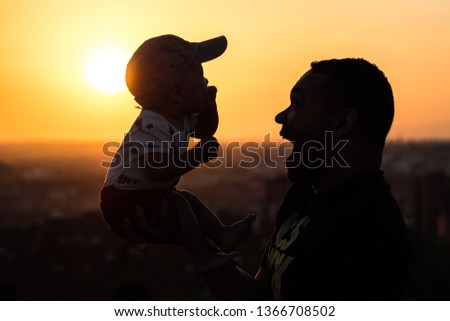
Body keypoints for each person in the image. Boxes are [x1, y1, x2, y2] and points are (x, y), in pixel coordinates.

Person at [124, 58, 409, 300]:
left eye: (297, 104)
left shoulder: (370, 230)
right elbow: (258, 299)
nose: (280, 116)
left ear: (342, 123)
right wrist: (194, 241)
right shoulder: (305, 196)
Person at [100, 34, 255, 275]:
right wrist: (196, 157)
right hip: (122, 199)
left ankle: (221, 234)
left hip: (144, 194)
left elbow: (206, 130)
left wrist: (210, 105)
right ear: (177, 95)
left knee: (187, 200)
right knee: (181, 201)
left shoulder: (178, 117)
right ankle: (202, 257)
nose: (207, 83)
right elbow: (157, 168)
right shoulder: (151, 125)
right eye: (201, 81)